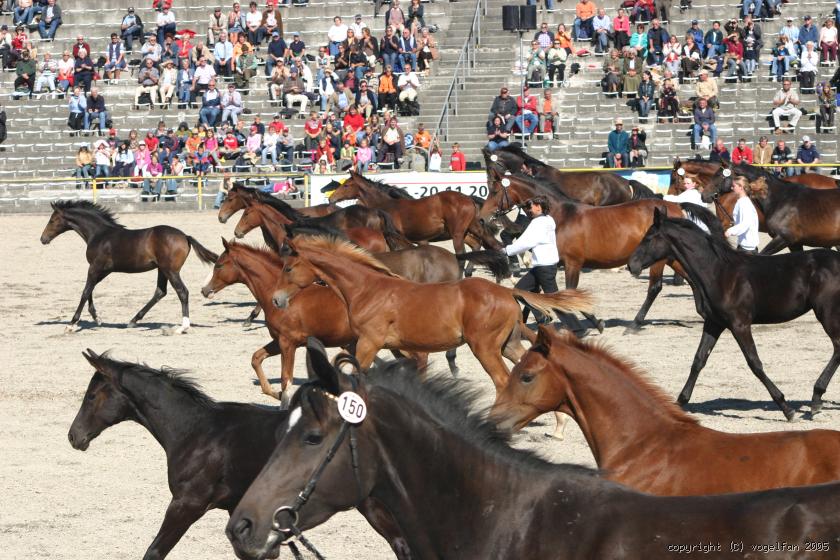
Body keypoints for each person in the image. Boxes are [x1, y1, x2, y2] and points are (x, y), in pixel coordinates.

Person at [503, 195, 559, 324]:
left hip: (544, 267)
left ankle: (577, 327)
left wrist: (507, 250)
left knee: (557, 302)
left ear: (538, 207)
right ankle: (541, 316)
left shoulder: (538, 223)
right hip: (542, 267)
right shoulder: (549, 219)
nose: (529, 210)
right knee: (517, 291)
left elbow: (525, 242)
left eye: (531, 207)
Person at [725, 176, 760, 253]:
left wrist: (729, 231)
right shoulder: (742, 201)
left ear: (741, 187)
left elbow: (745, 223)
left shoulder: (744, 204)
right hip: (745, 247)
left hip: (747, 250)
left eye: (734, 186)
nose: (731, 188)